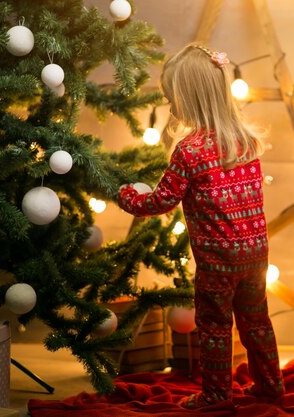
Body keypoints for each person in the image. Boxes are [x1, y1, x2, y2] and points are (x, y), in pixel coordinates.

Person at [116, 43, 284, 409]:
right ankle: (272, 386)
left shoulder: (190, 151)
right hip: (256, 256)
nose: (171, 107)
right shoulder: (246, 141)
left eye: (172, 99)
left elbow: (160, 201)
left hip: (218, 262)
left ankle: (217, 396)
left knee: (214, 326)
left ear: (190, 98)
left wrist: (127, 196)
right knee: (256, 321)